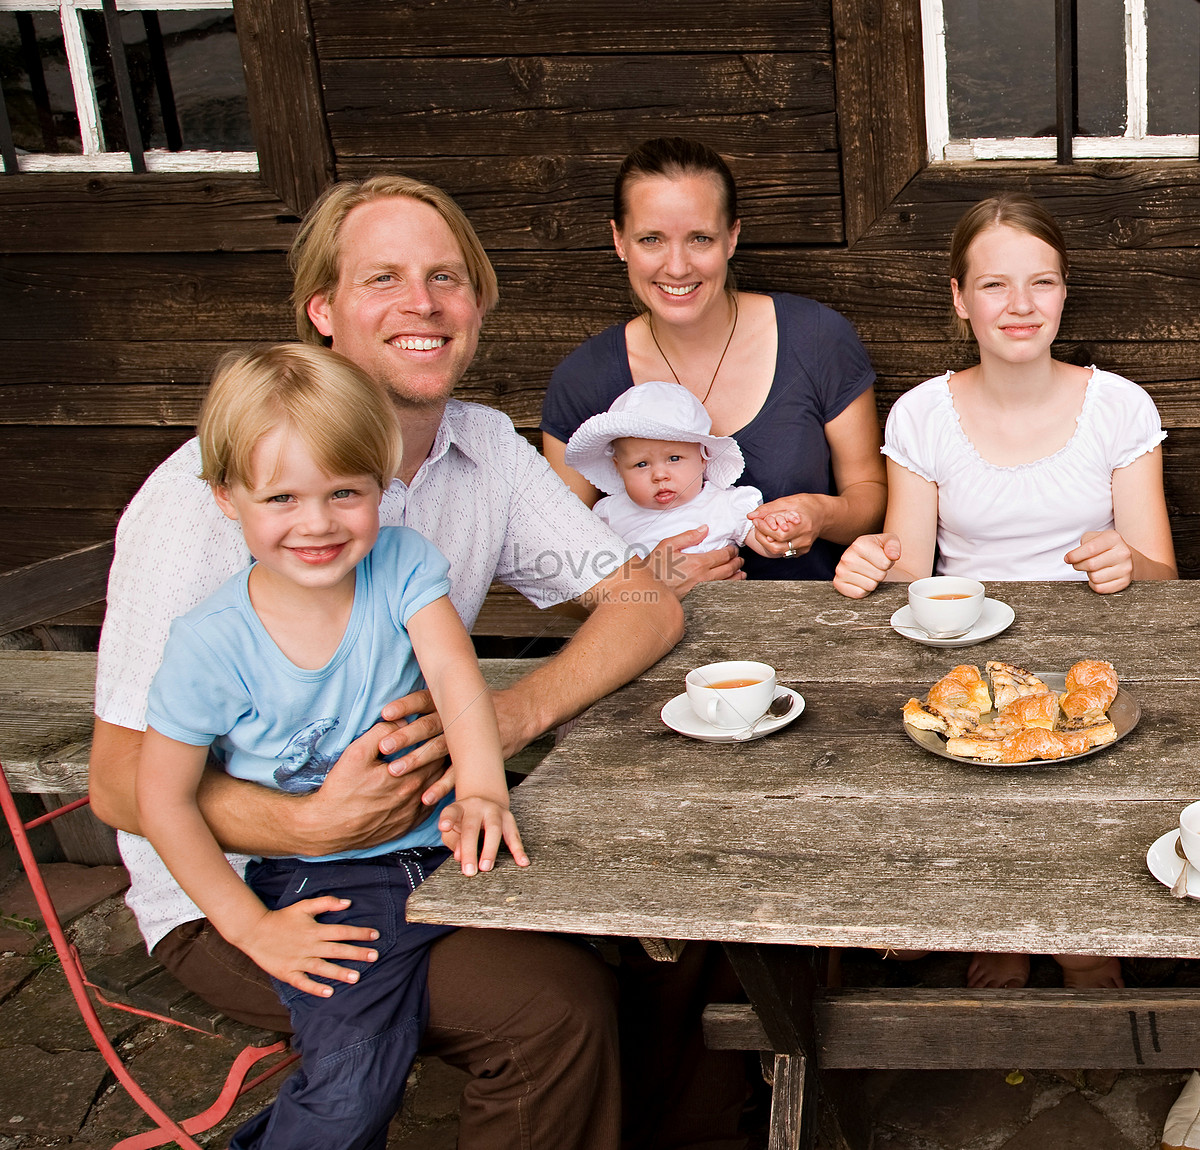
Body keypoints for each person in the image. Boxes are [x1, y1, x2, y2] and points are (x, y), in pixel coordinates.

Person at [90, 174, 686, 1150]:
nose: (423, 302)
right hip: (240, 887)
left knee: (670, 898)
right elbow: (118, 780)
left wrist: (501, 717)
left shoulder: (479, 447)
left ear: (479, 303)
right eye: (384, 278)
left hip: (420, 838)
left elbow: (643, 601)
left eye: (446, 276)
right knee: (547, 1015)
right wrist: (307, 821)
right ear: (322, 310)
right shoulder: (213, 495)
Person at [139, 343, 529, 1147]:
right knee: (356, 1078)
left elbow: (458, 681)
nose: (316, 523)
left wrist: (485, 788)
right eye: (281, 497)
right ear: (226, 498)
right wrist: (251, 929)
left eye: (344, 493)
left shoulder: (402, 565)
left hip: (449, 841)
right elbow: (160, 799)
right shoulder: (211, 643)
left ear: (381, 487)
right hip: (332, 878)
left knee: (609, 955)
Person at [834, 192, 1177, 989]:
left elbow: (1162, 573)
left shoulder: (1119, 406)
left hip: (1095, 650)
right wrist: (866, 565)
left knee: (1096, 762)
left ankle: (1082, 937)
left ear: (1064, 294)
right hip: (974, 651)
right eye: (994, 285)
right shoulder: (922, 414)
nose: (1020, 306)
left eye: (1042, 283)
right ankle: (1001, 922)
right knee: (954, 753)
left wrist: (1127, 561)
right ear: (959, 299)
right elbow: (911, 567)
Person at [541, 135, 886, 592]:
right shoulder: (582, 380)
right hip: (654, 649)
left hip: (814, 630)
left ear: (732, 237)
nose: (678, 266)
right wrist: (646, 582)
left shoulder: (816, 338)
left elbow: (869, 495)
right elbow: (552, 567)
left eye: (700, 238)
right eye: (651, 240)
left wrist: (821, 515)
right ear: (619, 241)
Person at [565, 380, 768, 558]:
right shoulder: (610, 514)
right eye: (641, 464)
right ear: (618, 467)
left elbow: (768, 545)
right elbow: (590, 568)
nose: (660, 475)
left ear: (703, 457)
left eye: (674, 458)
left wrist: (778, 527)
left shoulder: (725, 504)